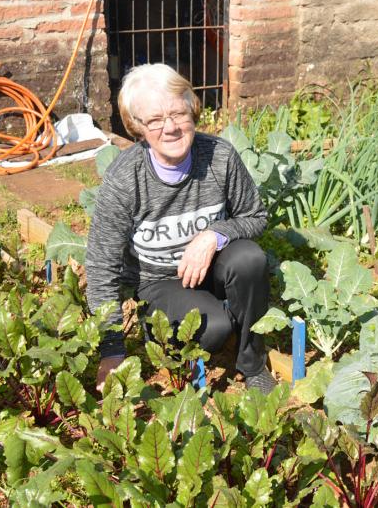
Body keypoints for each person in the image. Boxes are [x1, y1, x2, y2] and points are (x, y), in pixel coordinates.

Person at [86, 63, 277, 394]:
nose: (171, 127)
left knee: (249, 259)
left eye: (178, 113)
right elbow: (102, 267)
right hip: (159, 281)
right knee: (213, 329)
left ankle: (252, 362)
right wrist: (112, 349)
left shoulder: (219, 157)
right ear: (136, 127)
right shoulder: (125, 179)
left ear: (193, 110)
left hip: (213, 268)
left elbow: (255, 216)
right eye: (155, 120)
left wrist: (212, 236)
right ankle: (187, 323)